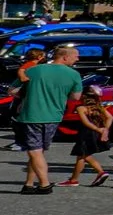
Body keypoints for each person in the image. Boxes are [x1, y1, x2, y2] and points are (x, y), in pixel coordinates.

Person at [15, 44, 82, 193]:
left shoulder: (33, 70)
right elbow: (75, 97)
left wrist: (29, 94)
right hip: (54, 116)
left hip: (31, 115)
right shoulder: (74, 74)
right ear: (65, 57)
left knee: (35, 151)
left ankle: (44, 184)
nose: (78, 58)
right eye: (75, 56)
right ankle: (29, 184)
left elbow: (13, 91)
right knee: (39, 151)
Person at [65, 88, 113, 187]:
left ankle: (99, 172)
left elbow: (86, 122)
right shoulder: (98, 107)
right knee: (82, 156)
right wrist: (105, 129)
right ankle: (75, 179)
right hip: (96, 134)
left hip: (86, 134)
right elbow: (110, 117)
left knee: (83, 155)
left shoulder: (81, 108)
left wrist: (99, 129)